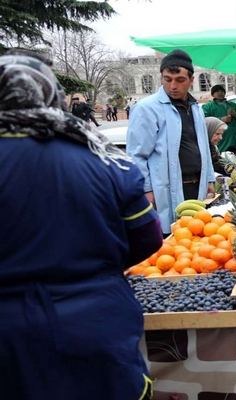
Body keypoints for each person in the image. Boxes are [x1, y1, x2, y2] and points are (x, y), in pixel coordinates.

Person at [0, 51, 162, 400]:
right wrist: (101, 268)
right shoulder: (100, 156)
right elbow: (148, 237)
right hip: (94, 326)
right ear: (51, 94)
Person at [127, 49, 216, 235]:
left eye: (180, 80)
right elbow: (136, 155)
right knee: (168, 242)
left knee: (194, 240)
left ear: (191, 80)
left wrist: (209, 178)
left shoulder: (196, 108)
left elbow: (203, 147)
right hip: (164, 190)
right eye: (167, 79)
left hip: (196, 186)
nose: (173, 86)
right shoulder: (147, 109)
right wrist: (146, 190)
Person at [202, 84, 236, 165]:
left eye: (222, 91)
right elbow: (204, 120)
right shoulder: (207, 106)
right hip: (222, 143)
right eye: (217, 91)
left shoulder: (233, 105)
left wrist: (235, 114)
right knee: (224, 165)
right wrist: (220, 119)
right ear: (213, 94)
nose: (220, 93)